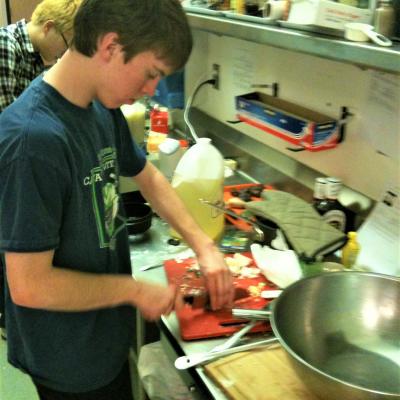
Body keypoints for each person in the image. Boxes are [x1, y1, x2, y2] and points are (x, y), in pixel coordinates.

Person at [0, 0, 234, 399]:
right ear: (109, 46)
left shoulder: (99, 106)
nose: (151, 90)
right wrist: (135, 291)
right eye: (150, 73)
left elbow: (149, 177)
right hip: (67, 355)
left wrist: (204, 246)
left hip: (104, 333)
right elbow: (30, 286)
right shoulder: (32, 140)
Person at [0, 0, 83, 341]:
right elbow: (8, 125)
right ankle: (10, 316)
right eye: (65, 44)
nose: (65, 54)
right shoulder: (4, 47)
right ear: (48, 27)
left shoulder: (38, 57)